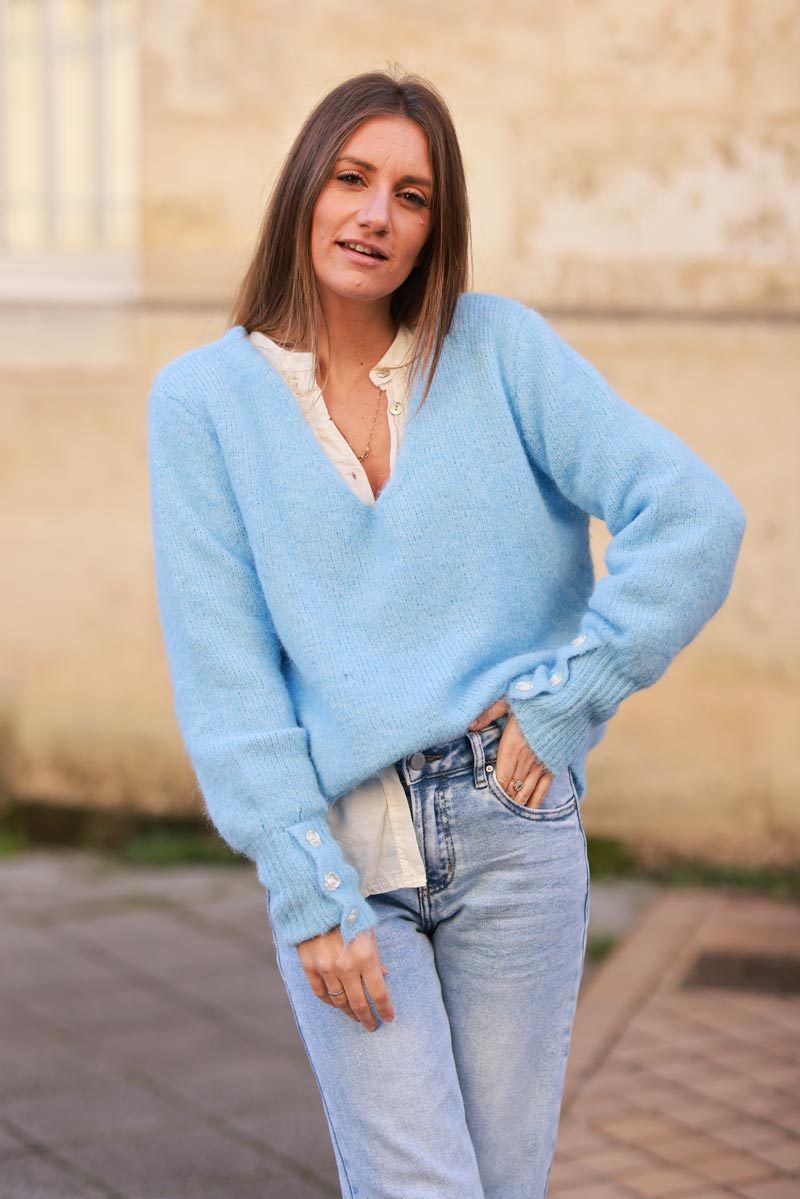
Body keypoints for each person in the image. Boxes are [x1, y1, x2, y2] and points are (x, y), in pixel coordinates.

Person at [147, 69, 746, 1199]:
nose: (377, 214)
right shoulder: (200, 405)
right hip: (345, 842)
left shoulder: (501, 351)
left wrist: (573, 693)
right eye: (353, 179)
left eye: (412, 195)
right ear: (304, 192)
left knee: (500, 1184)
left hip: (513, 818)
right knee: (418, 1183)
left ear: (435, 225)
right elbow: (227, 681)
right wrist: (305, 889)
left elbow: (694, 517)